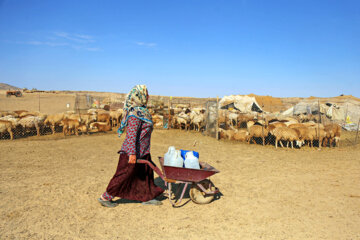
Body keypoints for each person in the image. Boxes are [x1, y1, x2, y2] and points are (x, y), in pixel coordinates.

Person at [98, 85, 164, 207]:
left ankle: (146, 197)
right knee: (124, 175)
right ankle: (105, 197)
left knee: (145, 175)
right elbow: (131, 135)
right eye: (146, 94)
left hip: (143, 151)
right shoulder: (135, 114)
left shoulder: (143, 112)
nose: (148, 96)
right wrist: (132, 154)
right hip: (132, 152)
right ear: (139, 96)